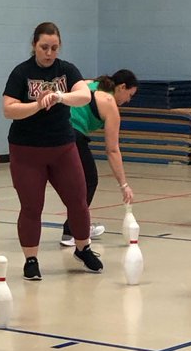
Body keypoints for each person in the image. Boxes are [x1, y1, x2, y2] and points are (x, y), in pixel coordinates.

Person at [2, 22, 103, 279]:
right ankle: (31, 259)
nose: (49, 53)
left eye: (54, 48)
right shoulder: (21, 72)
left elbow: (85, 96)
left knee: (78, 201)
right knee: (32, 206)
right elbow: (8, 109)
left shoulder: (66, 70)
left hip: (62, 147)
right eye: (44, 47)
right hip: (27, 150)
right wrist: (35, 105)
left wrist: (59, 96)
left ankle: (83, 247)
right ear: (34, 45)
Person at [59, 69, 139, 246]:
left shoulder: (90, 83)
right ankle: (73, 230)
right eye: (129, 95)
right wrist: (123, 184)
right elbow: (112, 150)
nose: (128, 100)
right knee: (89, 180)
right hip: (71, 135)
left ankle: (79, 225)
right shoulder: (110, 103)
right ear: (122, 87)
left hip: (53, 130)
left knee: (74, 183)